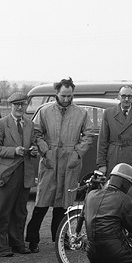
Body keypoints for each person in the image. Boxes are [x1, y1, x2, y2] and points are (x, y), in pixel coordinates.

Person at [25, 77, 93, 252]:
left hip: (70, 161)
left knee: (63, 204)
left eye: (69, 96)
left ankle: (60, 239)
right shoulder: (45, 111)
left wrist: (77, 153)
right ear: (56, 93)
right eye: (63, 95)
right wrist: (46, 151)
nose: (66, 99)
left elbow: (88, 135)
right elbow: (37, 133)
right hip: (50, 160)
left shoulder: (81, 113)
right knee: (41, 202)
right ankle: (32, 239)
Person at [0, 92, 39, 256]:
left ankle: (17, 243)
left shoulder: (30, 125)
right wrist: (13, 151)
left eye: (22, 104)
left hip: (25, 174)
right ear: (11, 106)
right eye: (16, 104)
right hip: (8, 174)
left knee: (20, 211)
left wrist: (34, 151)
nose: (19, 107)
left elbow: (33, 144)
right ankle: (0, 245)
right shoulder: (0, 124)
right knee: (3, 211)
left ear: (26, 106)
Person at [97, 85, 132, 178]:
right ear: (119, 96)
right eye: (123, 96)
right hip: (115, 157)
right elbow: (103, 141)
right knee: (115, 187)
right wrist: (102, 164)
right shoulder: (109, 114)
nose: (126, 99)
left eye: (129, 96)